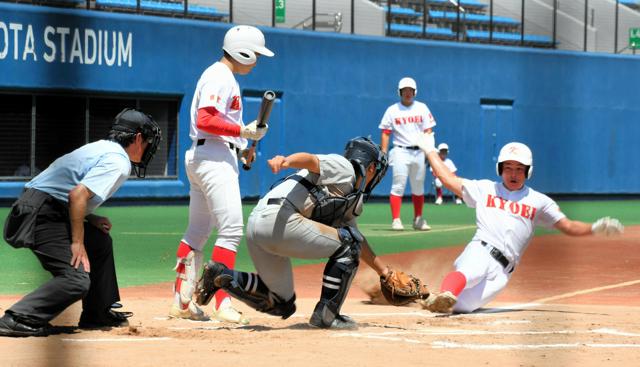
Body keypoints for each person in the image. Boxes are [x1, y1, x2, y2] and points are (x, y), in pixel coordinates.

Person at [195, 137, 404, 329]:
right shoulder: (346, 168)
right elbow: (311, 160)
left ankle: (220, 275)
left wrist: (384, 273)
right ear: (371, 167)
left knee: (281, 303)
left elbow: (359, 241)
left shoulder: (348, 195)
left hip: (260, 224)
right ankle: (327, 315)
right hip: (280, 219)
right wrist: (286, 161)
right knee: (349, 245)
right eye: (378, 171)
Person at [414, 134, 624, 314]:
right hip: (482, 248)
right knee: (469, 273)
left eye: (519, 169)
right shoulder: (485, 189)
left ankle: (420, 297)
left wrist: (594, 228)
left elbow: (567, 226)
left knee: (462, 307)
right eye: (508, 168)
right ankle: (444, 292)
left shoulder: (539, 201)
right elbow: (448, 179)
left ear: (528, 171)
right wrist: (430, 150)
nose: (513, 174)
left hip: (504, 272)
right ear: (500, 169)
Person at [0, 108, 162, 337]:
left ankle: (97, 313)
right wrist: (77, 242)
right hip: (42, 214)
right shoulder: (118, 161)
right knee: (76, 281)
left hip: (42, 208)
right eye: (148, 141)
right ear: (137, 138)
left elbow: (63, 189)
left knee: (99, 241)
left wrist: (90, 218)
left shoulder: (103, 148)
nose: (149, 148)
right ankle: (17, 317)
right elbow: (77, 195)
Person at [169, 25, 274, 324]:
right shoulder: (219, 76)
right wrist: (242, 131)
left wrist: (243, 145)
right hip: (213, 158)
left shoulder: (222, 76)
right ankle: (222, 301)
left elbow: (217, 123)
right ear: (241, 50)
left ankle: (182, 300)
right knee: (230, 230)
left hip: (209, 154)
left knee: (197, 232)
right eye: (254, 54)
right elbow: (206, 119)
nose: (256, 60)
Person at [379, 77, 436, 231]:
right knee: (398, 186)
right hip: (400, 151)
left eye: (410, 90)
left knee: (418, 187)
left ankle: (418, 219)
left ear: (415, 91)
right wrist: (384, 153)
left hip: (419, 152)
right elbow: (385, 132)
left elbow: (428, 130)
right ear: (400, 92)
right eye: (405, 90)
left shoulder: (422, 108)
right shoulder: (392, 110)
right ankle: (396, 220)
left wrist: (429, 149)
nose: (408, 93)